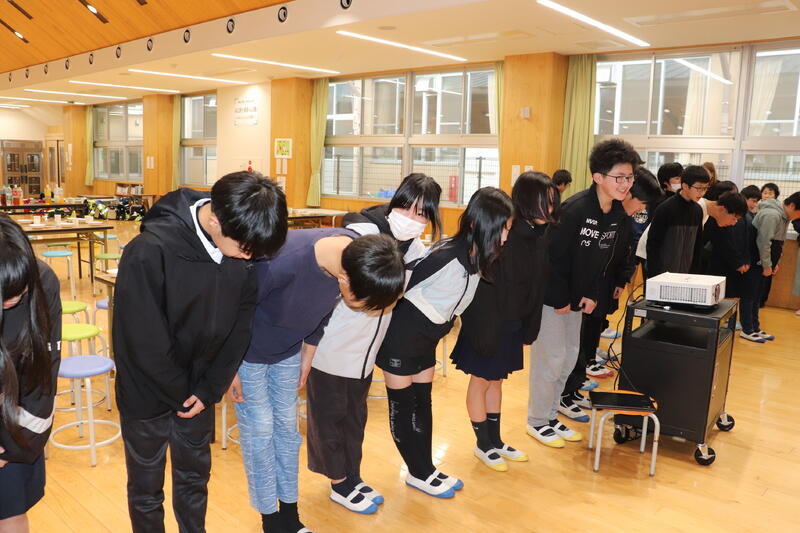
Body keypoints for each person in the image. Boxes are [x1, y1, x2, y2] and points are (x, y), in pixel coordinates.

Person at [113, 171, 288, 533]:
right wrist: (184, 393)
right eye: (245, 248)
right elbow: (142, 339)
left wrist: (208, 389)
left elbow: (241, 325)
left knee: (195, 479)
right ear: (214, 222)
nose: (249, 256)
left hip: (199, 389)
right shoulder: (149, 250)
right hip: (147, 392)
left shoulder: (240, 248)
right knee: (146, 489)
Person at [229, 229, 405, 531]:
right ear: (344, 281)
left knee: (287, 432)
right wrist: (228, 366)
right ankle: (271, 520)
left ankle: (290, 515)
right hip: (247, 353)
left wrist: (308, 354)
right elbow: (231, 311)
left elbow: (322, 311)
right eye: (362, 305)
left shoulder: (354, 255)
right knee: (260, 434)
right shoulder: (280, 261)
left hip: (288, 351)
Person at [305, 174, 442, 515]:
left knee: (355, 418)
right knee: (329, 419)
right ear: (395, 203)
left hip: (366, 353)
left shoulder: (416, 249)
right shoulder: (361, 234)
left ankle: (352, 474)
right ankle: (338, 482)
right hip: (332, 348)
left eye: (422, 214)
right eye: (406, 208)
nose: (412, 218)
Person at [375, 187, 513, 498]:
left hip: (428, 340)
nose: (505, 237)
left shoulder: (477, 259)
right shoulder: (446, 255)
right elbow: (398, 286)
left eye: (507, 229)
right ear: (478, 224)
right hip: (401, 339)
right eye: (502, 229)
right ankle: (418, 472)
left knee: (423, 403)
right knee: (403, 406)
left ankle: (425, 468)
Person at [527, 139, 638, 448]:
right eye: (619, 177)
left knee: (567, 360)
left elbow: (601, 259)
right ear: (598, 177)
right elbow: (551, 259)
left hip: (577, 298)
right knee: (550, 360)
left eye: (629, 177)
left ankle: (551, 416)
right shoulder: (574, 210)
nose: (625, 184)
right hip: (552, 298)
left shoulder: (616, 213)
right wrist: (561, 299)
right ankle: (537, 420)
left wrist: (590, 293)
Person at [451, 172, 558, 471]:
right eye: (546, 202)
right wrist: (486, 329)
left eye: (553, 203)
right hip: (487, 324)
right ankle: (482, 443)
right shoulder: (502, 234)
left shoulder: (537, 234)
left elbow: (533, 286)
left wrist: (527, 326)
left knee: (496, 381)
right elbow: (485, 290)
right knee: (481, 380)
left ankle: (495, 440)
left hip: (511, 322)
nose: (551, 209)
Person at [558, 166, 663, 422]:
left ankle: (574, 388)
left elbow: (624, 253)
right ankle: (563, 395)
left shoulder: (621, 218)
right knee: (575, 344)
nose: (641, 210)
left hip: (599, 288)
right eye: (641, 204)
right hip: (579, 291)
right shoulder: (585, 210)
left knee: (588, 340)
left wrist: (620, 279)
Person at [0, 215, 61, 533]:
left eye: (19, 290)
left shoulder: (42, 281)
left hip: (14, 421)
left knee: (10, 510)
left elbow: (42, 377)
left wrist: (10, 447)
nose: (13, 298)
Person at [646, 165, 709, 277]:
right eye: (699, 188)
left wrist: (694, 275)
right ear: (685, 186)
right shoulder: (665, 208)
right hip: (663, 275)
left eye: (705, 188)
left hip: (686, 276)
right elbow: (653, 244)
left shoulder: (698, 210)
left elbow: (697, 246)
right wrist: (654, 275)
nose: (702, 193)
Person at [751, 191, 800, 337]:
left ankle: (755, 327)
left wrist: (775, 263)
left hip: (765, 263)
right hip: (757, 262)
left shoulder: (784, 216)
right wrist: (766, 265)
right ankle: (748, 329)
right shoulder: (772, 215)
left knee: (758, 297)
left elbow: (779, 243)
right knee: (751, 296)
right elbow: (764, 242)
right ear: (792, 205)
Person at [635, 163, 683, 278]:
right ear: (665, 182)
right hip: (652, 249)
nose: (680, 181)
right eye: (677, 178)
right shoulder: (659, 201)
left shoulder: (681, 201)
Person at [757, 183, 784, 308]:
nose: (767, 195)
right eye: (765, 193)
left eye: (770, 193)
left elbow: (779, 239)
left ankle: (760, 302)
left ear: (776, 196)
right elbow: (762, 239)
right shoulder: (758, 208)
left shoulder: (778, 213)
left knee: (765, 281)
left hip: (770, 252)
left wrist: (777, 261)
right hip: (759, 253)